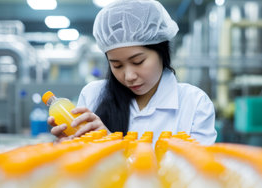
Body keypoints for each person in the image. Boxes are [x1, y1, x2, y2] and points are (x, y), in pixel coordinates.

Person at [47, 0, 217, 145]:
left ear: (162, 52)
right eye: (117, 65)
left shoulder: (194, 103)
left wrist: (110, 144)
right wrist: (71, 147)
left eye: (138, 62)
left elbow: (198, 173)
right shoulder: (93, 94)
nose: (129, 76)